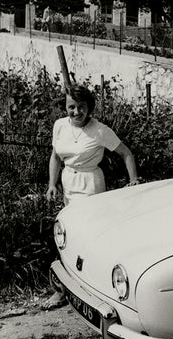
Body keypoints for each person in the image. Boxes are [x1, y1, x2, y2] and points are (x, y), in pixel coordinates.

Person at [42, 85, 138, 309]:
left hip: (90, 185)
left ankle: (95, 290)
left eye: (81, 107)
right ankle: (63, 288)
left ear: (90, 108)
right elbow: (55, 156)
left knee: (89, 237)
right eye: (71, 107)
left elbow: (126, 153)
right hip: (68, 182)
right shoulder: (59, 126)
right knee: (66, 235)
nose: (76, 112)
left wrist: (134, 181)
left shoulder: (99, 130)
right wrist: (51, 184)